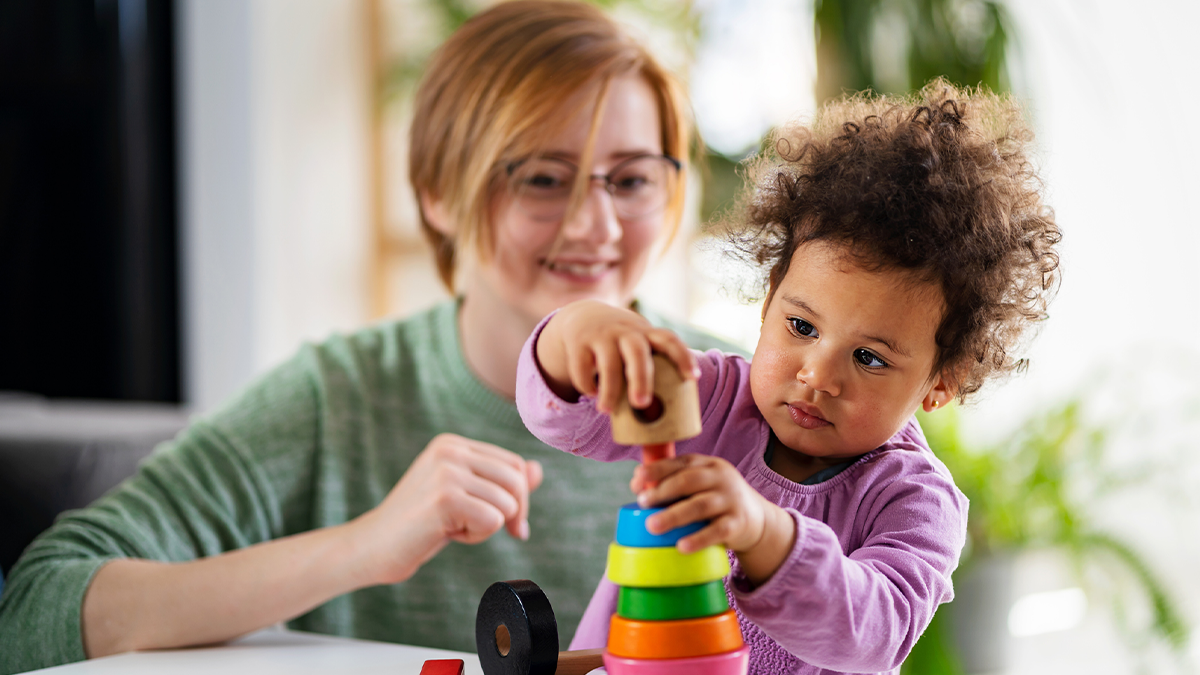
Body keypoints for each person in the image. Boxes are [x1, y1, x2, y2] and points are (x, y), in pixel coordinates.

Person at [0, 2, 743, 672]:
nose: (596, 227)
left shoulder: (750, 397)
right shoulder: (337, 397)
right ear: (437, 195)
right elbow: (35, 611)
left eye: (634, 179)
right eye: (544, 179)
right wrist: (362, 544)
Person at [516, 80, 1062, 674]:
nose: (817, 375)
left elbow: (876, 632)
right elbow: (567, 419)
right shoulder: (713, 400)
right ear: (769, 300)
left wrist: (764, 535)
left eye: (870, 358)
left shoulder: (914, 501)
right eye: (801, 326)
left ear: (941, 381)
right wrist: (578, 335)